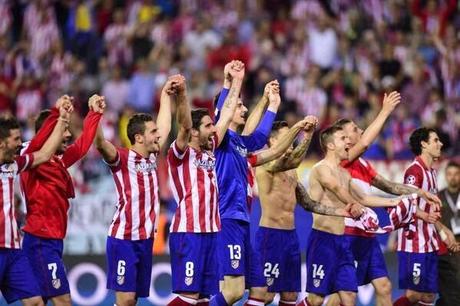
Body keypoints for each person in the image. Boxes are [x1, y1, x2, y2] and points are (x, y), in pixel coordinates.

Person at [326, 91, 442, 306]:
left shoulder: (362, 164)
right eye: (355, 129)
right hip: (347, 235)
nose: (360, 131)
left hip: (367, 235)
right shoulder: (341, 161)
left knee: (384, 287)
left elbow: (388, 185)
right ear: (343, 138)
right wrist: (385, 111)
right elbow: (366, 144)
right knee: (342, 295)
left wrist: (417, 192)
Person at [296, 126, 417, 306]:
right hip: (322, 241)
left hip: (342, 243)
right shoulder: (320, 169)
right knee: (316, 299)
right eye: (343, 138)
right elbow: (336, 188)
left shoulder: (344, 173)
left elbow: (364, 197)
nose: (348, 142)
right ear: (330, 145)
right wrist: (354, 205)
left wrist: (395, 201)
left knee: (349, 296)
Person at [254, 119, 363, 306]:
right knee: (266, 295)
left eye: (292, 136)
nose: (291, 140)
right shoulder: (266, 163)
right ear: (272, 141)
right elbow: (293, 161)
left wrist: (339, 211)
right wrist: (308, 134)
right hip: (270, 236)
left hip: (291, 238)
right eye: (287, 136)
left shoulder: (291, 172)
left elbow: (307, 203)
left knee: (290, 296)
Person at [93, 75, 176, 306]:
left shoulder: (152, 157)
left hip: (145, 240)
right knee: (126, 300)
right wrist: (95, 115)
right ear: (138, 137)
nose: (157, 135)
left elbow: (165, 124)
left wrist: (165, 95)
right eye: (152, 132)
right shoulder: (121, 158)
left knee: (134, 300)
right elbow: (100, 144)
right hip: (124, 239)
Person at [167, 65, 242, 306]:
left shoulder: (210, 150)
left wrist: (237, 80)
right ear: (195, 133)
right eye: (209, 126)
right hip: (189, 233)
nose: (214, 130)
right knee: (188, 297)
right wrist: (183, 94)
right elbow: (185, 126)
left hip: (211, 233)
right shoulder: (179, 154)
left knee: (203, 299)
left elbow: (228, 113)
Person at [20, 95, 104, 306]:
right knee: (63, 300)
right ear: (49, 134)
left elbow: (83, 145)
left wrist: (94, 113)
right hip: (41, 240)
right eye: (63, 130)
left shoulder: (58, 160)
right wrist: (58, 113)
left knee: (37, 303)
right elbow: (39, 142)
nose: (67, 135)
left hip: (51, 240)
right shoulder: (33, 158)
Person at [211, 61, 282, 306]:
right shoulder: (219, 140)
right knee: (232, 292)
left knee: (260, 290)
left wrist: (272, 106)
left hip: (241, 221)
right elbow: (224, 109)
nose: (242, 108)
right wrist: (232, 81)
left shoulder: (240, 143)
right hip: (226, 218)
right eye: (239, 104)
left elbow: (260, 137)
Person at [0, 100, 71, 306]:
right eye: (16, 139)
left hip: (13, 250)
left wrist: (61, 119)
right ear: (2, 142)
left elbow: (45, 153)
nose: (20, 144)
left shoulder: (15, 164)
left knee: (36, 302)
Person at [393, 128, 460, 306]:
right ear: (424, 144)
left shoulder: (432, 172)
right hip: (414, 241)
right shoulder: (414, 172)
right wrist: (424, 215)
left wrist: (444, 231)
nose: (441, 144)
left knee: (429, 294)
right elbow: (407, 205)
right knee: (414, 294)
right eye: (436, 140)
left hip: (429, 240)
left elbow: (431, 214)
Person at [436, 161, 460, 306]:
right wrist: (448, 242)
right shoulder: (438, 197)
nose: (453, 177)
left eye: (456, 174)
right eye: (449, 174)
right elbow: (435, 223)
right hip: (447, 249)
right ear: (445, 176)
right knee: (448, 294)